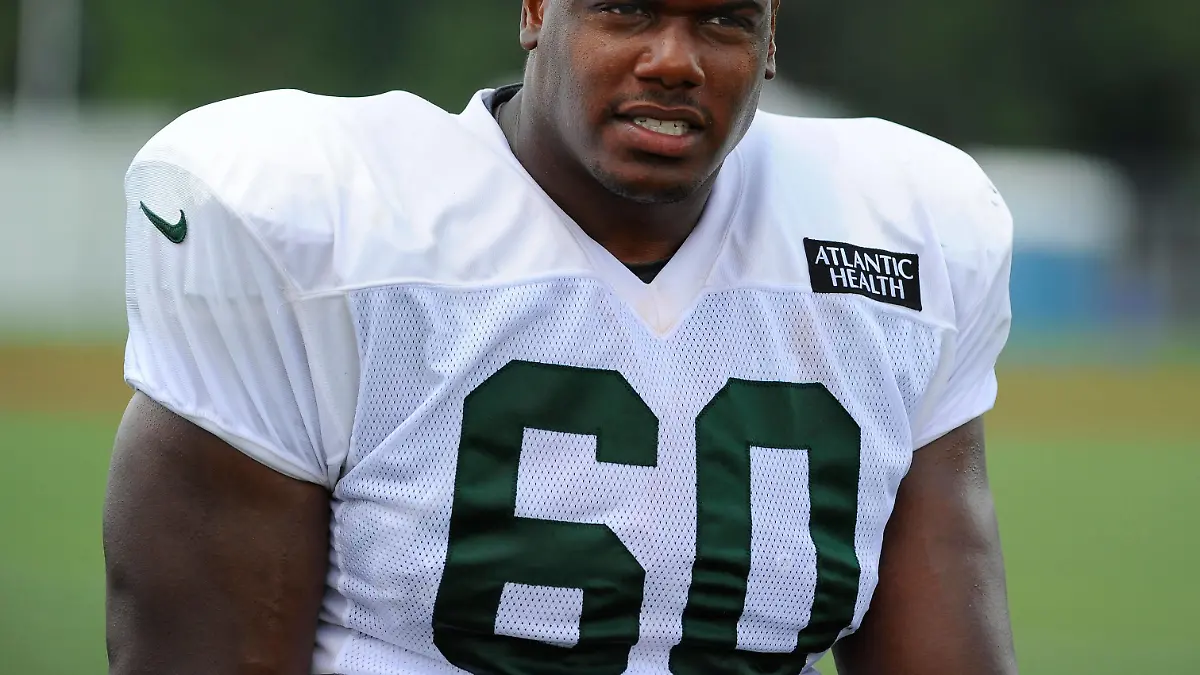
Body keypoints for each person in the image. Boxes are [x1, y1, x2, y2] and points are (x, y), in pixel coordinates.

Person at [104, 1, 1019, 673]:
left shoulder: (906, 230)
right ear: (537, 10)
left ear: (772, 39)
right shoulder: (318, 218)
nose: (673, 60)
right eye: (627, 10)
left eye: (724, 22)